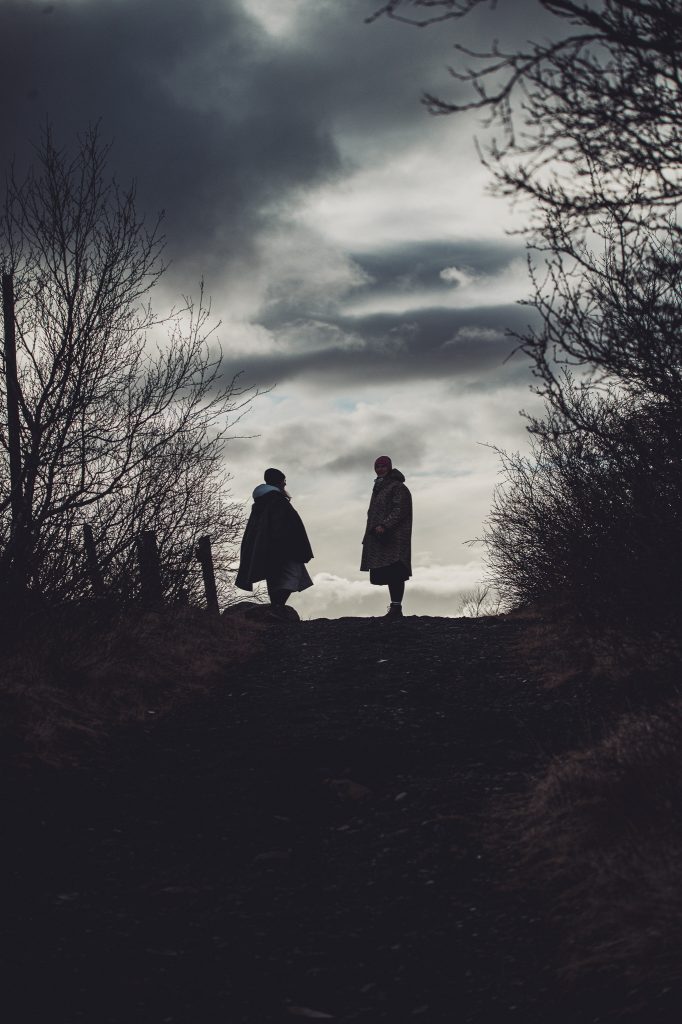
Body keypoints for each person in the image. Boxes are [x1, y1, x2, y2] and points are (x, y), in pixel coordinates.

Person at [235, 467, 314, 618]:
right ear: (279, 482)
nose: (285, 485)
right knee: (291, 576)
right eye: (284, 481)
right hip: (283, 548)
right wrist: (294, 547)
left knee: (275, 578)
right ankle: (276, 608)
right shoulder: (276, 500)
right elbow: (287, 526)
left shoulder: (261, 502)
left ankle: (276, 609)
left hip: (267, 549)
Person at [360, 455, 412, 619]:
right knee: (389, 572)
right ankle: (394, 607)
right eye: (377, 466)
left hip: (394, 537)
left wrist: (385, 525)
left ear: (389, 467)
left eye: (383, 466)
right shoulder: (379, 488)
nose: (380, 469)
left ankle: (396, 607)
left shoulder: (397, 487)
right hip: (380, 536)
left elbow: (400, 509)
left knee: (396, 570)